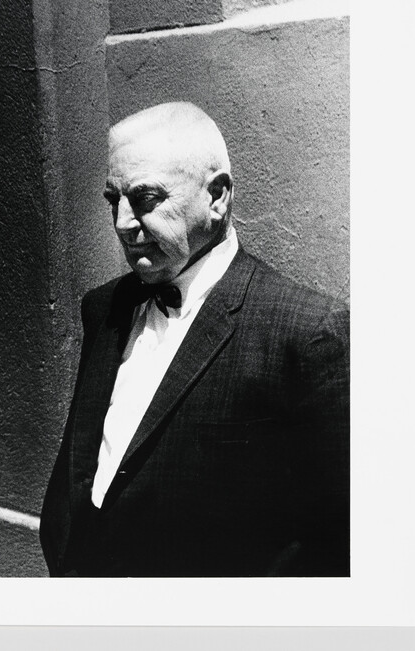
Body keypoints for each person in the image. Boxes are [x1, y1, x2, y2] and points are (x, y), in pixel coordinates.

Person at [40, 102, 349, 577]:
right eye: (113, 200)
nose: (123, 221)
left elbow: (332, 543)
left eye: (145, 198)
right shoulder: (103, 308)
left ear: (218, 197)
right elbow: (82, 464)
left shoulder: (308, 332)